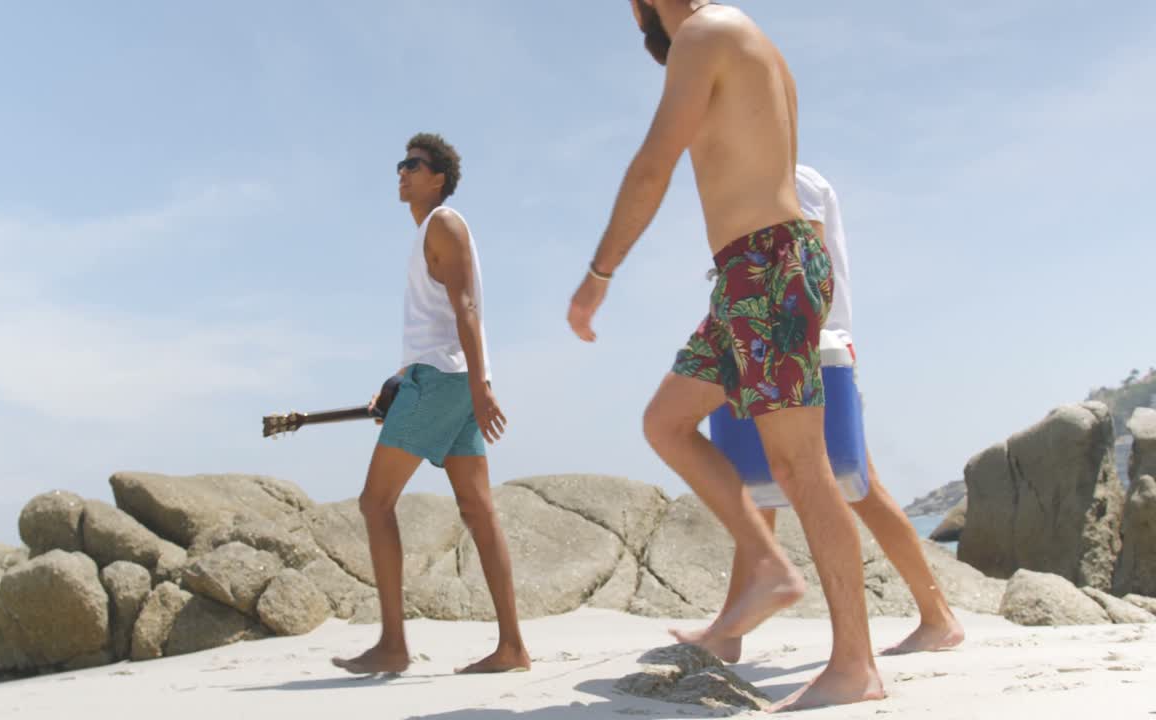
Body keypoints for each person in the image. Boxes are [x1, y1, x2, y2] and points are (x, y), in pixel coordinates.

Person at [567, 2, 883, 711]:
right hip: (750, 273)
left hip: (769, 265)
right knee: (667, 422)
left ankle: (856, 665)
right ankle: (769, 567)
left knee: (801, 467)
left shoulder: (709, 33)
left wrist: (600, 274)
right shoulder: (741, 38)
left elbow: (653, 166)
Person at [673, 164, 965, 663]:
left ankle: (937, 619)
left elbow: (802, 265)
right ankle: (730, 632)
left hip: (805, 351)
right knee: (771, 489)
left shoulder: (791, 177)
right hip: (792, 350)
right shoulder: (765, 180)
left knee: (853, 487)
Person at [333, 133, 531, 675]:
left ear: (438, 177)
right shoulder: (429, 231)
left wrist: (479, 388)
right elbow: (440, 324)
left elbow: (466, 304)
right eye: (400, 163)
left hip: (444, 381)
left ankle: (393, 646)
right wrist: (398, 381)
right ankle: (512, 647)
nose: (402, 172)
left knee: (376, 503)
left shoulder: (443, 222)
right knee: (478, 510)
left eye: (413, 165)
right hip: (448, 377)